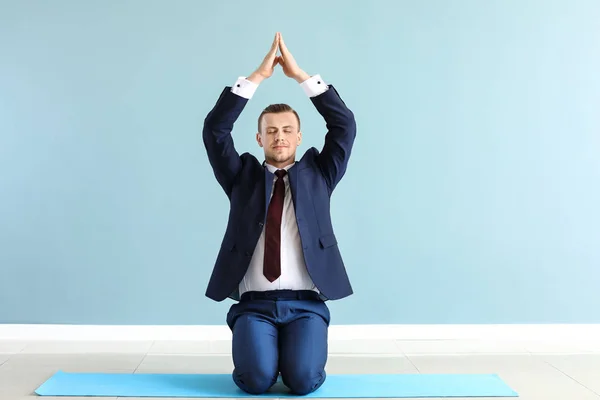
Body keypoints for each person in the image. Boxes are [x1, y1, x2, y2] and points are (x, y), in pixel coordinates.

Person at [203, 32, 356, 395]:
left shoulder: (320, 174)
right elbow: (215, 130)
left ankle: (296, 352)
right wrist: (256, 78)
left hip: (306, 305)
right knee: (255, 382)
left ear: (300, 137)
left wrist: (302, 76)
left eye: (287, 130)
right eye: (271, 131)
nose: (279, 137)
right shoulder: (241, 177)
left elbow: (344, 126)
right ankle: (263, 351)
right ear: (259, 139)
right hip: (254, 307)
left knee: (302, 381)